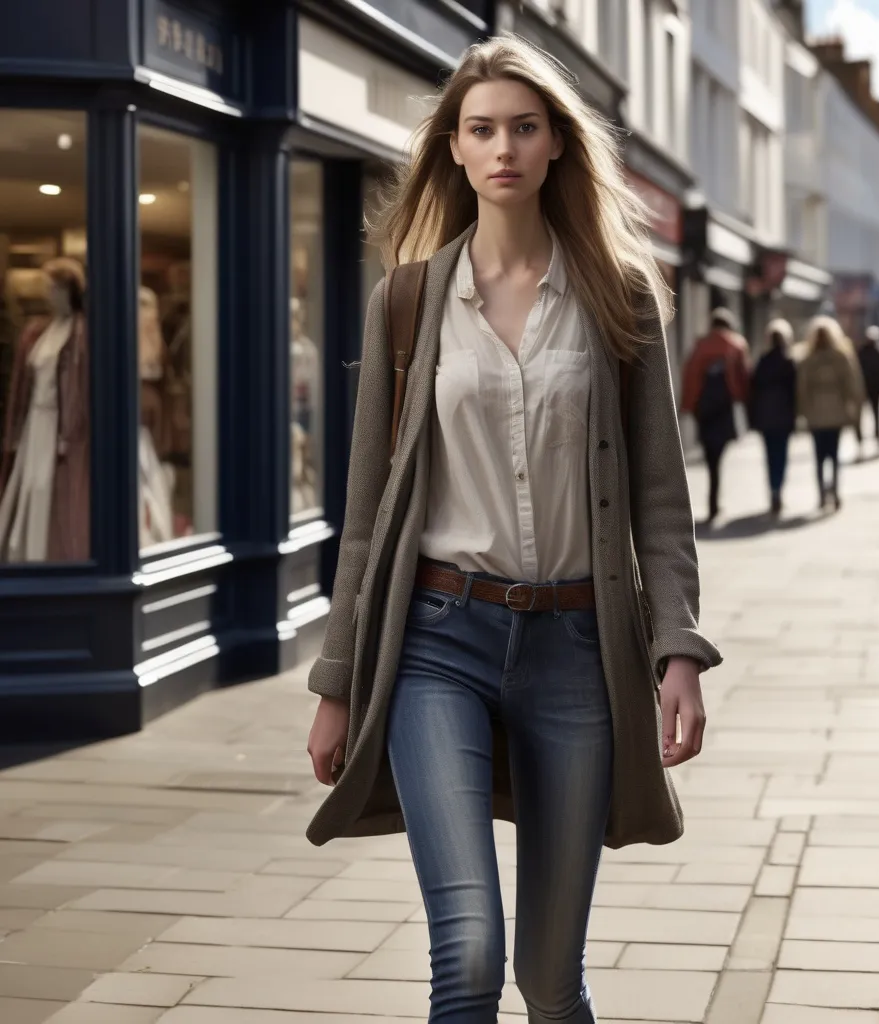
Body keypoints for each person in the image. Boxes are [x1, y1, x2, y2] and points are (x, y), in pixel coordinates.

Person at [304, 37, 722, 1024]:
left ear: (555, 148)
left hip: (575, 649)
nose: (503, 148)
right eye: (482, 128)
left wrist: (680, 650)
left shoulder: (618, 296)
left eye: (523, 128)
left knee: (547, 976)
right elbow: (365, 520)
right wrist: (335, 684)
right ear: (453, 148)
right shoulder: (405, 303)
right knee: (468, 952)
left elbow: (661, 496)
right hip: (434, 643)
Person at [680, 307, 750, 523]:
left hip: (705, 409)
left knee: (711, 456)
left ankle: (712, 502)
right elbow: (744, 377)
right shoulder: (737, 345)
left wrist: (688, 406)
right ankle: (714, 501)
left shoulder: (701, 346)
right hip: (724, 409)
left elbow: (691, 376)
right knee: (718, 455)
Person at [797, 316, 865, 511]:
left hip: (816, 415)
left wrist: (802, 412)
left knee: (819, 457)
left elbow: (802, 389)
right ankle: (834, 491)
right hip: (836, 414)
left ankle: (821, 494)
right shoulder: (840, 356)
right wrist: (854, 408)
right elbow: (852, 385)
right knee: (834, 455)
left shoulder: (808, 359)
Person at [748, 318, 796, 517]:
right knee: (782, 456)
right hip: (783, 416)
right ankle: (778, 490)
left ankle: (773, 491)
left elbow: (753, 390)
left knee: (770, 456)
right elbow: (794, 392)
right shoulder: (788, 362)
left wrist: (754, 417)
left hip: (766, 416)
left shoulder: (762, 361)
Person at [855, 325, 879, 456]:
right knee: (865, 415)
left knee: (875, 414)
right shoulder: (862, 352)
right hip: (866, 388)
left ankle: (877, 437)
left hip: (874, 388)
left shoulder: (878, 352)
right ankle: (863, 439)